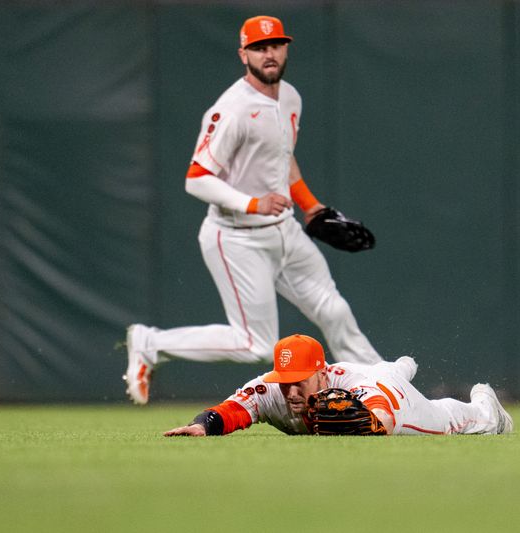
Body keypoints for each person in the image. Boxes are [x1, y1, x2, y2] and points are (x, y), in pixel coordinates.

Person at [124, 15, 381, 405]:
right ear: (243, 54)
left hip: (285, 231)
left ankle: (381, 387)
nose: (269, 53)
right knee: (255, 344)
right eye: (259, 47)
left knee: (335, 310)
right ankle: (150, 343)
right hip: (236, 237)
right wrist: (252, 203)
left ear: (286, 48)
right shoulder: (232, 109)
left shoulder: (291, 97)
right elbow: (196, 177)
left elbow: (283, 160)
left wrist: (311, 207)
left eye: (275, 44)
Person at [163, 334, 514, 437]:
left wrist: (374, 422)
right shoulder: (273, 388)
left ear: (321, 373)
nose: (290, 392)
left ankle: (487, 410)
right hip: (378, 373)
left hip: (388, 384)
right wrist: (202, 425)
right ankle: (401, 363)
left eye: (298, 383)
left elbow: (381, 417)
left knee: (441, 420)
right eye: (283, 383)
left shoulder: (359, 384)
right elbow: (233, 410)